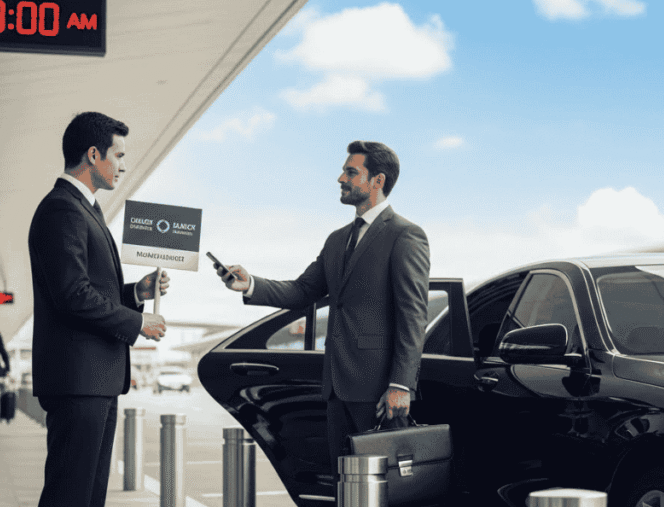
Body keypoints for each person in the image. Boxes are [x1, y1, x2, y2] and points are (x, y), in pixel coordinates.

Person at [214, 140, 430, 477]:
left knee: (382, 487)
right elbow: (303, 290)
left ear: (378, 180)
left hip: (378, 390)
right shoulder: (336, 240)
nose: (341, 178)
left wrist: (401, 384)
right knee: (344, 483)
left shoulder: (405, 235)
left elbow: (413, 315)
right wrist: (250, 284)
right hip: (335, 387)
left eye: (351, 172)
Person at [28, 111, 170, 507]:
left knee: (87, 497)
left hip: (94, 381)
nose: (123, 166)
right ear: (93, 155)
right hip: (79, 382)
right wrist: (138, 322)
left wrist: (137, 292)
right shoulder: (62, 209)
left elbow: (91, 289)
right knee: (69, 496)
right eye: (118, 155)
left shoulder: (84, 209)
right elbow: (73, 295)